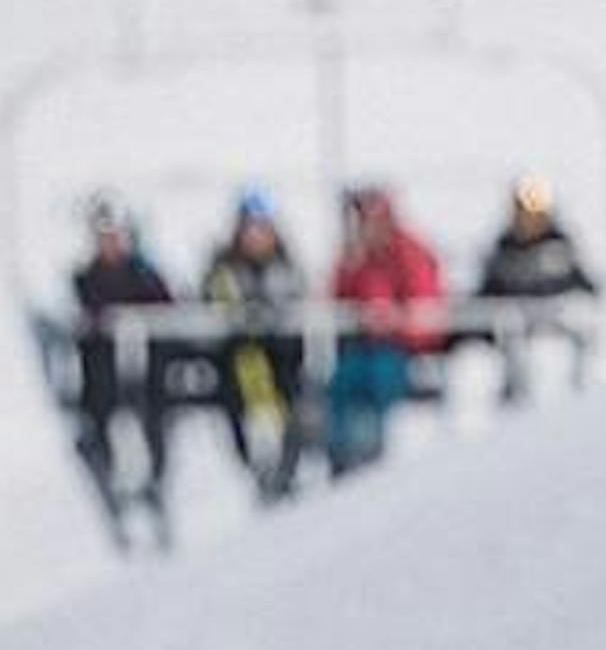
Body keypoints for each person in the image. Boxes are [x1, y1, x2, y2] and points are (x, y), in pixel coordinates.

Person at [64, 198, 181, 551]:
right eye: (104, 236)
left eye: (115, 235)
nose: (110, 243)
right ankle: (116, 491)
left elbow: (169, 311)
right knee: (105, 430)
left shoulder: (144, 275)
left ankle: (154, 491)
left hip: (146, 380)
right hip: (102, 384)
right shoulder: (84, 279)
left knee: (152, 425)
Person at [323, 179, 448, 473]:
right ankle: (341, 465)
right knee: (340, 387)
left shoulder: (410, 251)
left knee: (377, 383)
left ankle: (371, 470)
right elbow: (336, 296)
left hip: (401, 351)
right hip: (359, 349)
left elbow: (425, 304)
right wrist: (352, 264)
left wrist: (393, 321)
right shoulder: (355, 255)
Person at [199, 187, 311, 502]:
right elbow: (214, 305)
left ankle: (285, 472)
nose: (256, 236)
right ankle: (260, 469)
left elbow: (300, 308)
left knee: (296, 411)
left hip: (284, 363)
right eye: (250, 228)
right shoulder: (223, 267)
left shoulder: (287, 266)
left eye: (262, 228)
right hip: (239, 364)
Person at [470, 173, 601, 401]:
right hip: (515, 337)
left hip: (557, 334)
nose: (529, 218)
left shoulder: (560, 246)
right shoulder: (504, 248)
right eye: (523, 209)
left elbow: (585, 288)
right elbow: (487, 294)